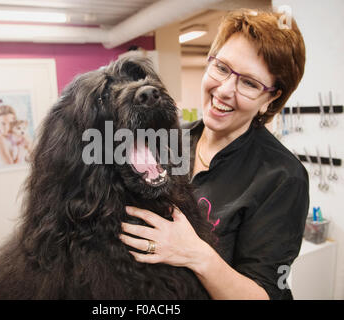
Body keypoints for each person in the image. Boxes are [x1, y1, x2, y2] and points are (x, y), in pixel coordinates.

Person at [119, 8, 309, 300]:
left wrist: (195, 254)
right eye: (221, 68)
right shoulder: (167, 141)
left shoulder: (282, 176)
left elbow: (264, 296)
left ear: (270, 99)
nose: (224, 90)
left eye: (249, 83)